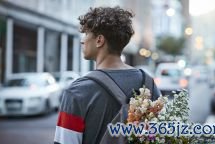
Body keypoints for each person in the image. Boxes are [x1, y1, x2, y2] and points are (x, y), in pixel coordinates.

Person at [54, 6, 161, 144]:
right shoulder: (147, 83)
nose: (82, 40)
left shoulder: (77, 91)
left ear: (99, 40)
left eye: (86, 34)